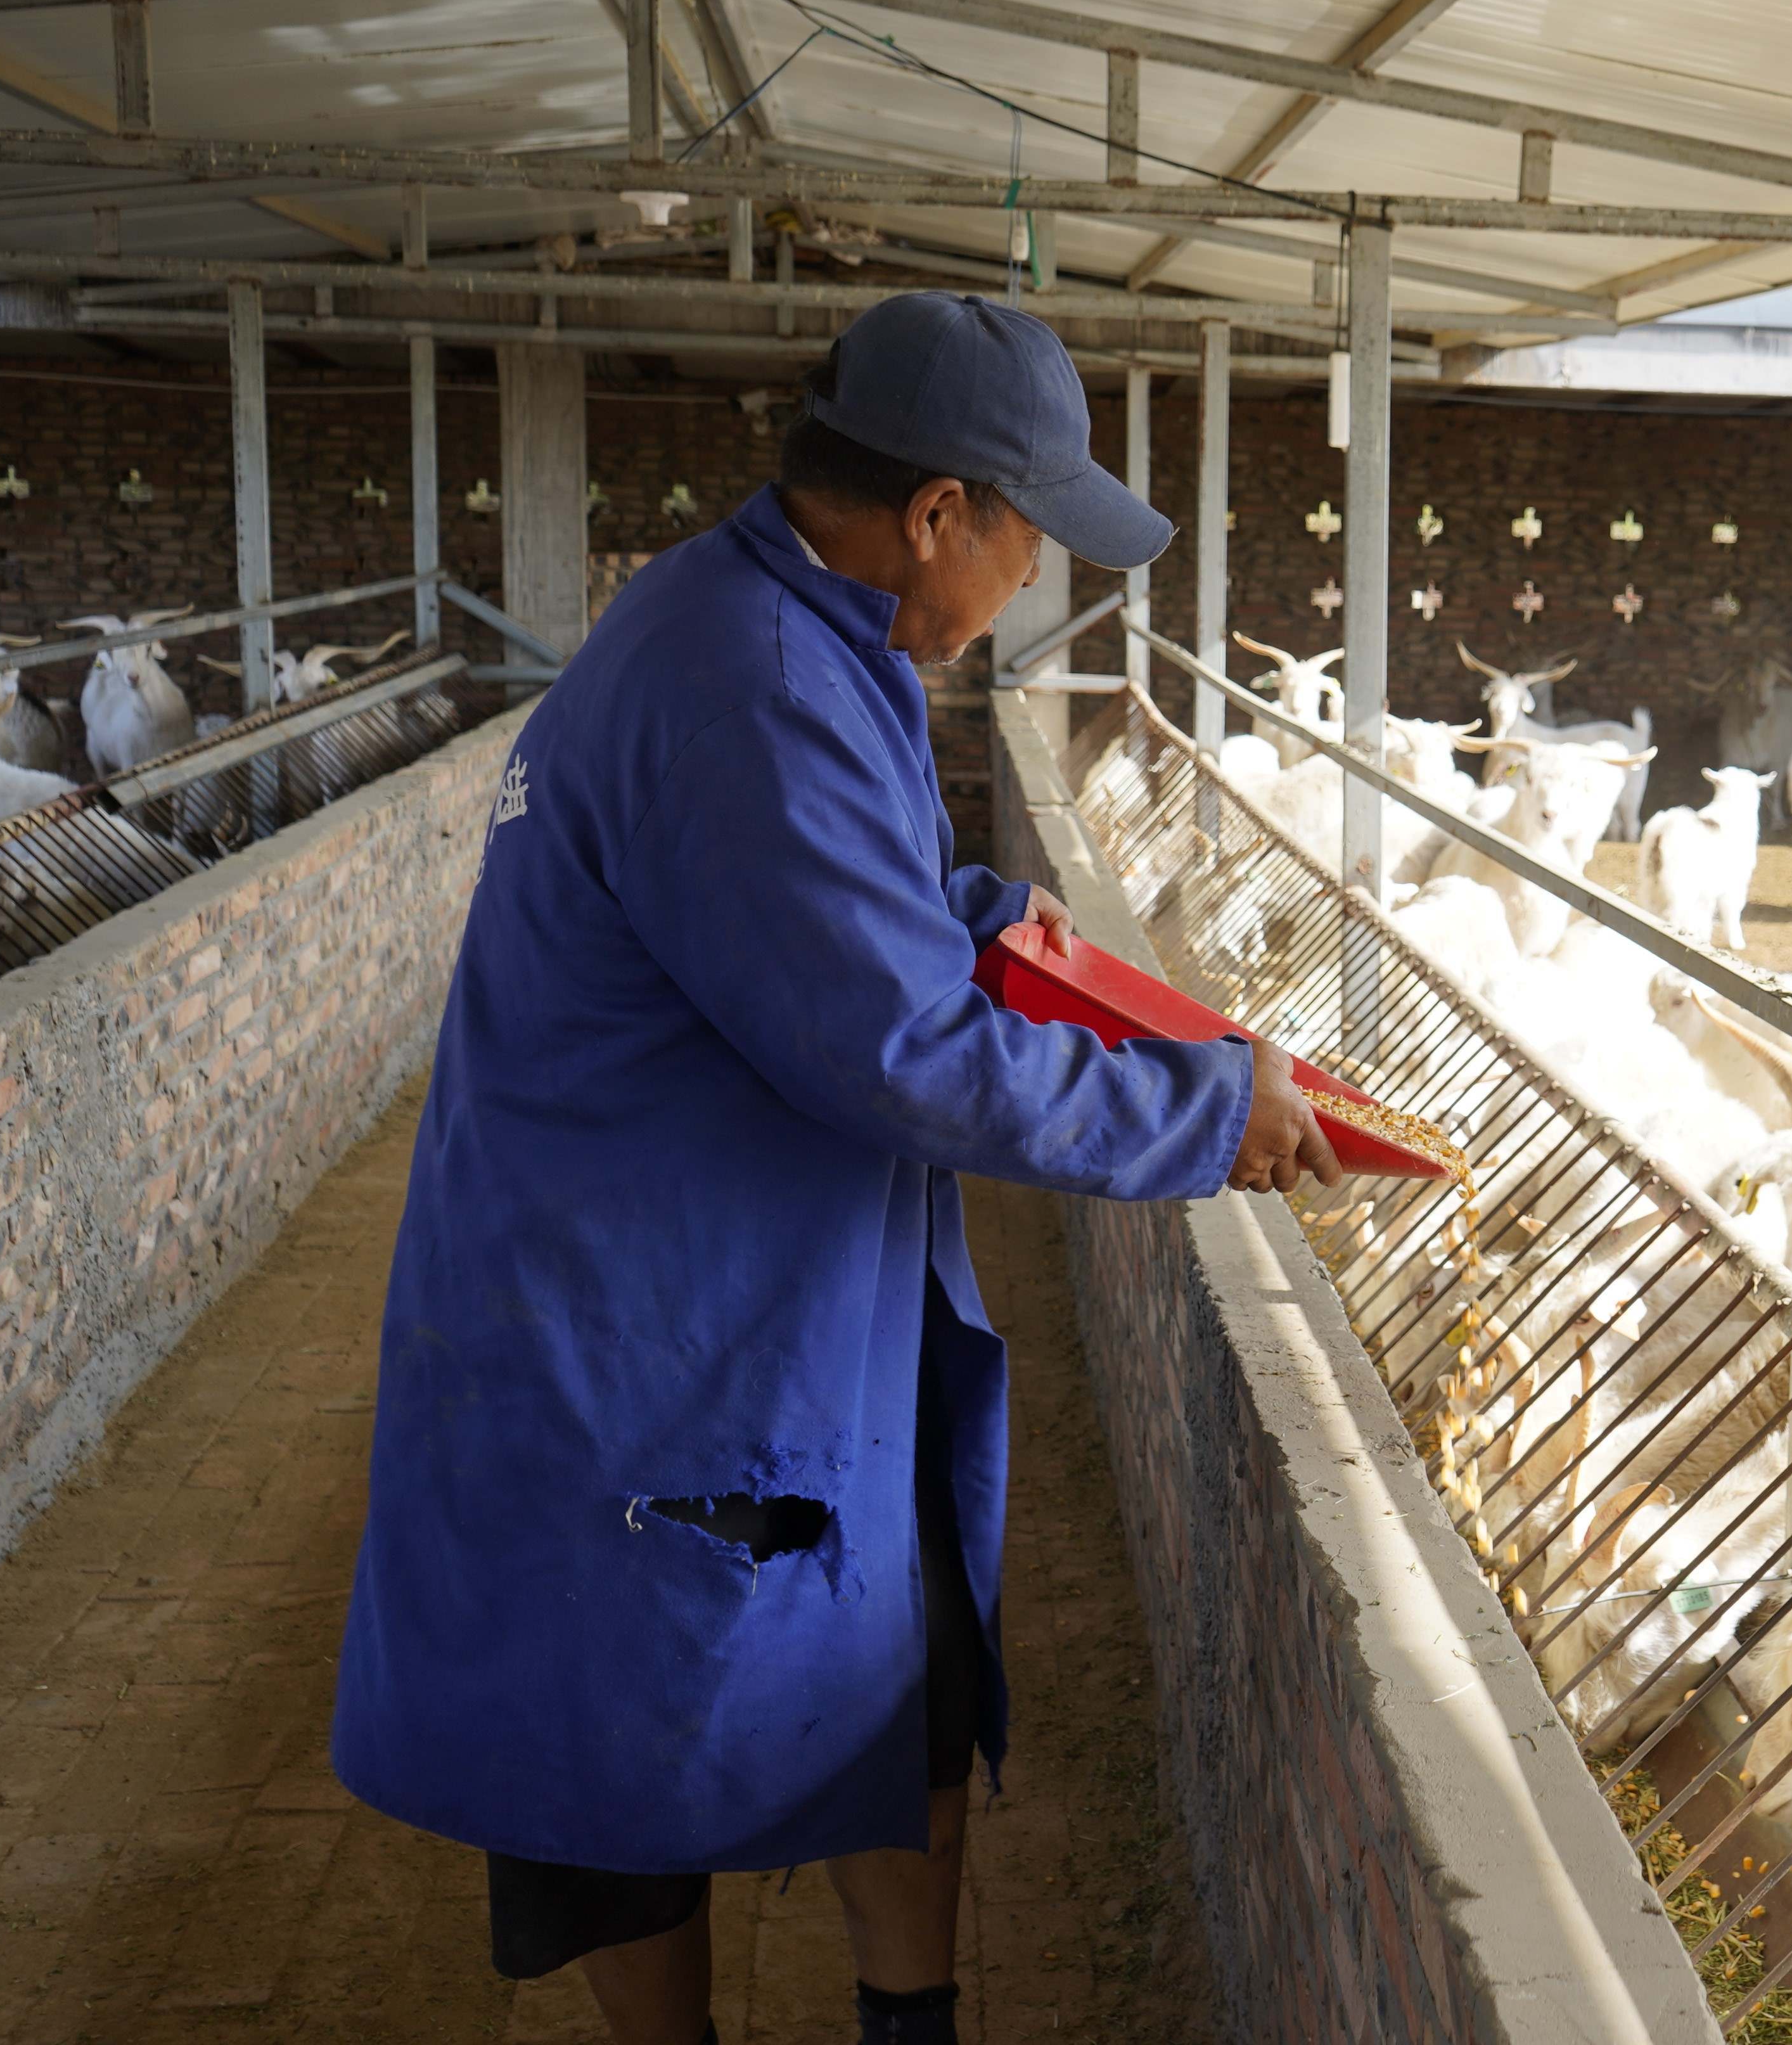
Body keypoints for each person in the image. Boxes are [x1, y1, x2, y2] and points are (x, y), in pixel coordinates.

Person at [330, 291, 1338, 2045]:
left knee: (894, 1661)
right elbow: (898, 1051)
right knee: (619, 1735)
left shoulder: (764, 622)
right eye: (1029, 540)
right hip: (635, 1318)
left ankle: (908, 2024)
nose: (1032, 580)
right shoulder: (760, 684)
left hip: (728, 1284)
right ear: (939, 512)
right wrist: (1200, 1115)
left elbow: (801, 904)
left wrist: (969, 916)